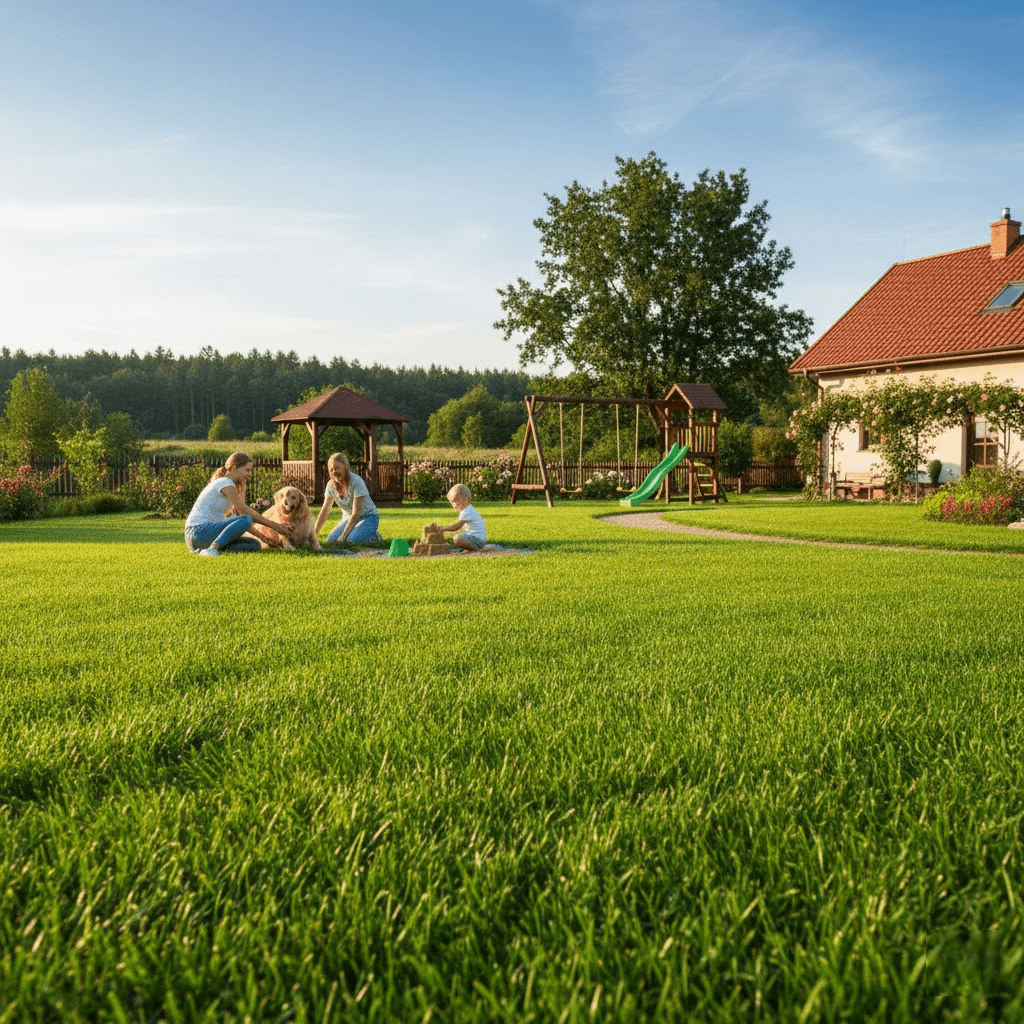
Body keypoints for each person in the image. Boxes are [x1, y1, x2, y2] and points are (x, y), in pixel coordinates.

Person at [184, 452, 293, 556]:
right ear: (233, 468)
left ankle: (205, 550)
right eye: (247, 470)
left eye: (251, 471)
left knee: (254, 545)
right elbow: (245, 514)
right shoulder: (225, 482)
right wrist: (276, 526)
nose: (250, 475)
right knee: (247, 518)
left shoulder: (228, 486)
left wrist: (264, 538)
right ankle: (213, 549)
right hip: (197, 532)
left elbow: (239, 521)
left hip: (200, 537)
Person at [314, 452, 381, 543]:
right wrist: (314, 533)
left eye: (337, 468)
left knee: (350, 540)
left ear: (346, 467)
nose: (334, 472)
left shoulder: (357, 482)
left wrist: (343, 536)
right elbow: (325, 510)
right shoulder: (330, 485)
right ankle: (359, 532)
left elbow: (356, 513)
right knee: (331, 540)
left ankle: (374, 535)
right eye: (332, 469)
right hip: (348, 518)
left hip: (368, 517)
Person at [430, 483, 487, 551]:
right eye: (452, 503)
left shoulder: (466, 511)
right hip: (478, 538)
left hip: (477, 539)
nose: (454, 506)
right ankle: (469, 548)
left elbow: (456, 526)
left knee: (457, 539)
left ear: (465, 499)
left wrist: (442, 528)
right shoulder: (469, 509)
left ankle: (476, 549)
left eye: (455, 502)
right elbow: (461, 530)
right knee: (457, 536)